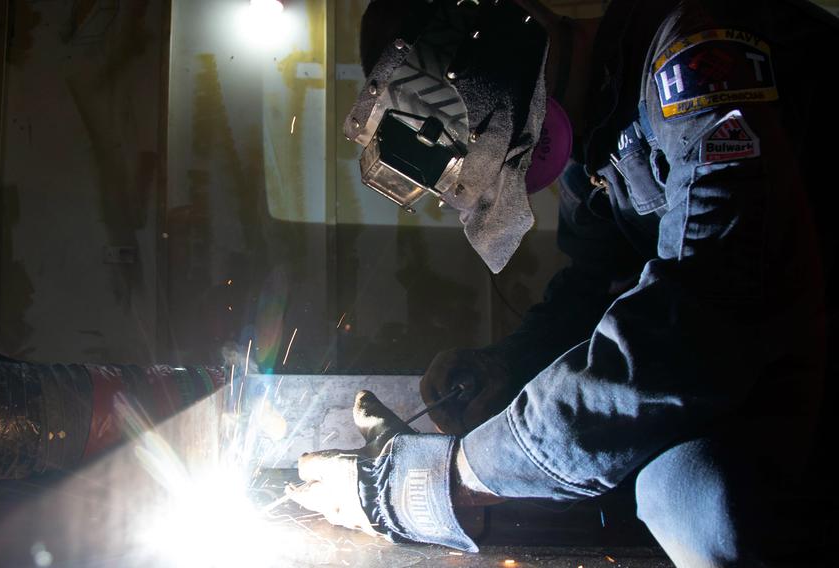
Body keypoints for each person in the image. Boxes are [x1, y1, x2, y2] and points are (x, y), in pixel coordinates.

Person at [287, 0, 838, 565]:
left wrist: (453, 476)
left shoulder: (696, 49)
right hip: (774, 364)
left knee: (695, 494)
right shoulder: (599, 139)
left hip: (806, 372)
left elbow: (704, 311)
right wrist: (508, 365)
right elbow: (593, 287)